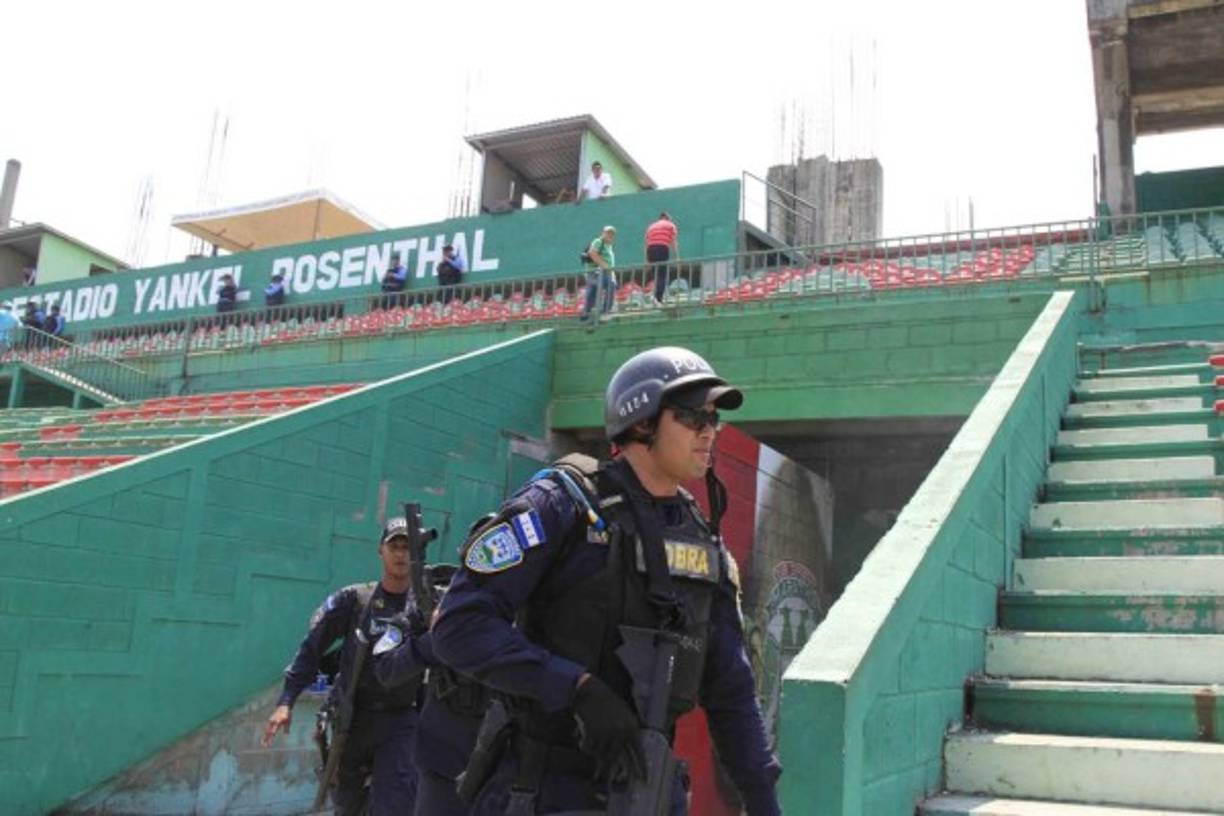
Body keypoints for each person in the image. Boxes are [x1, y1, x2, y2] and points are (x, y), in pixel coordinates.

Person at [432, 346, 783, 816]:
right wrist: (575, 688)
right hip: (544, 787)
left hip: (648, 790)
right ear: (641, 424)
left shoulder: (702, 538)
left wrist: (763, 799)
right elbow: (459, 627)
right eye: (691, 416)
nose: (708, 431)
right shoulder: (563, 504)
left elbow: (730, 687)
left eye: (713, 419)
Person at [262, 516, 432, 816]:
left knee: (395, 806)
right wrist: (286, 700)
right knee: (346, 805)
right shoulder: (355, 599)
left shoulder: (424, 607)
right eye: (395, 546)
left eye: (408, 547)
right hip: (352, 720)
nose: (401, 554)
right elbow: (313, 647)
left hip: (400, 720)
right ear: (381, 550)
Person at [579, 225, 617, 322]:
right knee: (610, 285)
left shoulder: (609, 246)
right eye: (608, 233)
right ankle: (606, 311)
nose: (610, 235)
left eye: (612, 234)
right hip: (597, 272)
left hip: (600, 273)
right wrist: (605, 266)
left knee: (593, 292)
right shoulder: (598, 241)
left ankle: (586, 313)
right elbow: (592, 253)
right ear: (603, 233)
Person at [645, 212, 680, 304]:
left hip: (651, 250)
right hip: (662, 248)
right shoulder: (671, 225)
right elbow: (674, 242)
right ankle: (658, 299)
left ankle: (656, 296)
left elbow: (646, 243)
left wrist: (646, 260)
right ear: (667, 218)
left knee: (656, 275)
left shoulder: (651, 227)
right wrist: (677, 258)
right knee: (662, 275)